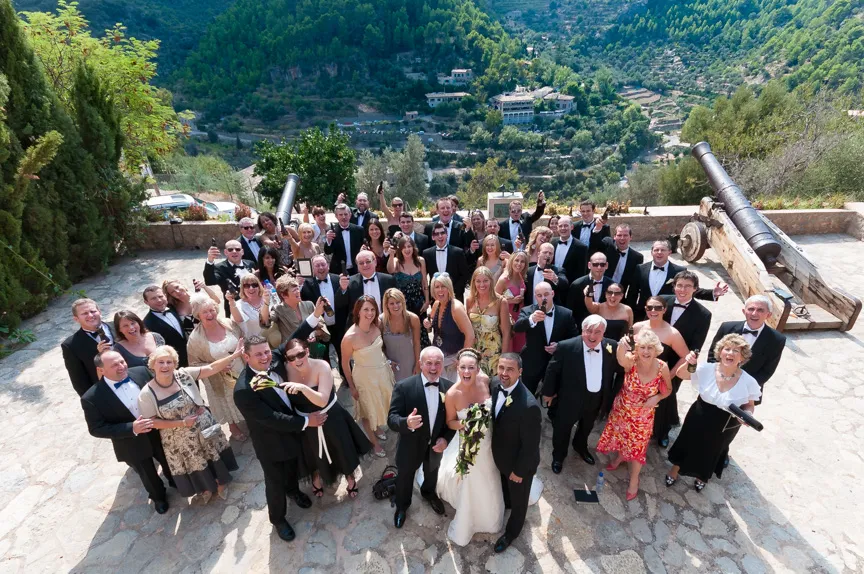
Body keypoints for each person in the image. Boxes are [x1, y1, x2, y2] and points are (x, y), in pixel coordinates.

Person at [233, 335, 325, 542]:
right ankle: (278, 519)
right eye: (258, 354)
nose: (265, 357)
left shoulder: (273, 358)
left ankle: (293, 491)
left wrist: (315, 316)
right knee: (274, 483)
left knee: (293, 467)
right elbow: (271, 419)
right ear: (246, 357)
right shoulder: (243, 391)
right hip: (271, 443)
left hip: (292, 434)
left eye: (266, 351)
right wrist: (306, 422)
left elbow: (295, 336)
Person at [139, 345, 241, 502]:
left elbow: (211, 367)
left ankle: (220, 482)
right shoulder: (146, 393)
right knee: (194, 462)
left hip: (202, 425)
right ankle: (206, 488)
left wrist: (233, 356)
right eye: (161, 362)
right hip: (178, 438)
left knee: (212, 453)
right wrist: (182, 423)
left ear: (175, 364)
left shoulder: (183, 375)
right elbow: (151, 422)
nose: (165, 366)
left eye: (169, 362)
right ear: (153, 365)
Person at [81, 351, 174, 514]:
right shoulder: (92, 397)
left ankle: (175, 480)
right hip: (130, 440)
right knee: (147, 473)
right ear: (101, 370)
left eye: (122, 362)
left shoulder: (141, 371)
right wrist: (131, 428)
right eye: (114, 365)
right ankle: (159, 497)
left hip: (158, 429)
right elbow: (96, 429)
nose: (121, 366)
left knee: (168, 458)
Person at [667, 335, 761, 491]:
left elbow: (749, 405)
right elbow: (681, 375)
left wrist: (748, 415)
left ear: (742, 357)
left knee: (712, 450)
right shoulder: (706, 368)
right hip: (700, 413)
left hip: (725, 422)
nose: (730, 353)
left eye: (735, 351)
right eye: (727, 349)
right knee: (687, 442)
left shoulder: (748, 381)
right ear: (720, 352)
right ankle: (674, 470)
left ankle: (702, 476)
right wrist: (688, 363)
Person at [279, 339, 372, 498]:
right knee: (311, 451)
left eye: (300, 354)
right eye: (291, 357)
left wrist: (302, 388)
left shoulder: (322, 366)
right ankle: (316, 476)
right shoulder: (285, 370)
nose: (297, 360)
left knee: (341, 447)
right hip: (306, 420)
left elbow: (322, 400)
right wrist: (306, 418)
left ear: (307, 351)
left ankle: (350, 477)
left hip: (329, 414)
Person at [596, 329, 672, 500]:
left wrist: (657, 397)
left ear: (656, 349)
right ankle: (621, 456)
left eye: (650, 348)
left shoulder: (662, 367)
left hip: (643, 416)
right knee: (622, 436)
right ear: (637, 349)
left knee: (638, 448)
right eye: (643, 347)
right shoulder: (632, 362)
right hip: (622, 409)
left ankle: (634, 480)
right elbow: (621, 358)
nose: (646, 352)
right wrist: (622, 347)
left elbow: (668, 390)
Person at [388, 347, 457, 528]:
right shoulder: (404, 387)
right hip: (409, 446)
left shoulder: (449, 389)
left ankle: (428, 493)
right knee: (404, 477)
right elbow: (392, 419)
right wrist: (406, 423)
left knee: (432, 472)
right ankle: (402, 506)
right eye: (429, 363)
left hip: (434, 447)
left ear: (443, 365)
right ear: (420, 364)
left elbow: (452, 422)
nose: (433, 368)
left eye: (437, 363)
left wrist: (446, 440)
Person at [543, 315, 619, 472]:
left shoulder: (612, 346)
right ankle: (559, 455)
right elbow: (552, 371)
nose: (592, 336)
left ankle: (580, 446)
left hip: (596, 398)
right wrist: (548, 393)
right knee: (562, 429)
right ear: (582, 330)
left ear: (604, 332)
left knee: (587, 426)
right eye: (588, 331)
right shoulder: (566, 346)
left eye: (597, 332)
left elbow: (621, 370)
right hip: (570, 398)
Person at [490, 353, 542, 553]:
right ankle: (507, 503)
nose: (504, 373)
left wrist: (519, 471)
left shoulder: (529, 407)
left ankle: (512, 532)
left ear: (520, 372)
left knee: (519, 503)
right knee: (506, 491)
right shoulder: (495, 384)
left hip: (520, 464)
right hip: (502, 456)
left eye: (510, 369)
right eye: (501, 367)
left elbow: (530, 447)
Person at [186, 295, 247, 442]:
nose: (210, 314)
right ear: (198, 315)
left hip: (240, 367)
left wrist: (243, 349)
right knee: (226, 401)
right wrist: (218, 367)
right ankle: (233, 427)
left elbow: (242, 338)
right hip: (219, 376)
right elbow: (194, 366)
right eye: (205, 312)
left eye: (212, 310)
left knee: (246, 395)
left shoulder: (228, 323)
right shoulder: (195, 339)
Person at [341, 296, 395, 457]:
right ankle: (375, 444)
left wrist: (387, 361)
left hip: (382, 372)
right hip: (363, 378)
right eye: (366, 309)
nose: (370, 313)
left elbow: (380, 348)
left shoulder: (377, 324)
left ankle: (378, 428)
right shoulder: (349, 337)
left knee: (383, 404)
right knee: (366, 411)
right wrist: (351, 386)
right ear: (358, 311)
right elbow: (344, 364)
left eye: (372, 309)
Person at [633, 296, 690, 447]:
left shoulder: (672, 333)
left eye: (658, 308)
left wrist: (668, 376)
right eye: (649, 307)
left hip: (658, 380)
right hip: (637, 377)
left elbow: (685, 356)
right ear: (645, 309)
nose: (653, 311)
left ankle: (661, 433)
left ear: (664, 310)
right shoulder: (638, 326)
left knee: (660, 413)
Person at [707, 295, 786, 404]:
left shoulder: (777, 339)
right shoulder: (727, 327)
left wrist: (742, 387)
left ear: (768, 315)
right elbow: (713, 355)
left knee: (733, 421)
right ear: (744, 311)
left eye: (760, 310)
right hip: (717, 384)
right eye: (751, 309)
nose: (754, 313)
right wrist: (718, 378)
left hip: (746, 392)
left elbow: (767, 371)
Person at [628, 240, 726, 320]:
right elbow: (632, 293)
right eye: (656, 250)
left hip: (667, 315)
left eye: (663, 250)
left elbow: (689, 290)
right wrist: (631, 314)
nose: (659, 253)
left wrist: (712, 293)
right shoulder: (640, 269)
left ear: (669, 252)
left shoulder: (679, 270)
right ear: (651, 252)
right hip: (642, 314)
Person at [513, 281, 578, 395]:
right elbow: (517, 327)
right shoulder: (528, 311)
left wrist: (559, 346)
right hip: (532, 361)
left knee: (554, 395)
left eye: (546, 294)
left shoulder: (566, 313)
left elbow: (575, 338)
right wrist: (531, 319)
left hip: (555, 362)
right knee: (527, 394)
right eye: (539, 295)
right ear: (535, 296)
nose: (543, 298)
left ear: (552, 293)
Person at [301, 254, 349, 368]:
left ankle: (347, 378)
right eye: (317, 265)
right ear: (313, 269)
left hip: (339, 326)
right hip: (321, 329)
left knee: (343, 354)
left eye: (323, 264)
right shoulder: (307, 284)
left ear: (328, 266)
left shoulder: (338, 279)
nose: (321, 268)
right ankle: (328, 381)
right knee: (324, 357)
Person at [426, 273, 475, 381]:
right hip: (438, 360)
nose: (440, 290)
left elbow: (470, 336)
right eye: (437, 287)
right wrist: (428, 325)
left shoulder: (456, 308)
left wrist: (461, 359)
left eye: (443, 286)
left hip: (453, 361)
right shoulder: (436, 304)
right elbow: (432, 329)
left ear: (449, 288)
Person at [63, 298, 115, 396]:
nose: (90, 315)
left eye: (93, 311)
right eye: (84, 313)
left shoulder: (118, 325)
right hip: (107, 391)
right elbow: (79, 380)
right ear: (76, 319)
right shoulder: (71, 345)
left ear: (99, 312)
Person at [465, 267, 511, 375]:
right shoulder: (469, 301)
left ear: (491, 281)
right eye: (478, 281)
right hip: (474, 351)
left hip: (494, 352)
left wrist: (503, 358)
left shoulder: (501, 301)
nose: (482, 285)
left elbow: (506, 332)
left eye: (485, 280)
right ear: (474, 282)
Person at [271, 276, 329, 350]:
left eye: (298, 288)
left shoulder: (309, 305)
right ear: (283, 295)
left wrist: (314, 333)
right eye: (294, 290)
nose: (298, 291)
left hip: (311, 351)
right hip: (292, 353)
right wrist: (266, 303)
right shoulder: (278, 309)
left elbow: (322, 327)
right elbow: (266, 322)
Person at [204, 239, 256, 317]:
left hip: (254, 305)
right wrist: (210, 260)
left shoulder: (250, 263)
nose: (234, 251)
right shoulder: (219, 268)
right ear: (225, 252)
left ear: (242, 252)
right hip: (234, 308)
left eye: (237, 249)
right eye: (230, 249)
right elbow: (210, 281)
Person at [422, 222, 470, 301]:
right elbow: (424, 277)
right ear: (433, 237)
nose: (440, 236)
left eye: (442, 233)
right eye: (437, 234)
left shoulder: (458, 252)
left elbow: (465, 274)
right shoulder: (427, 253)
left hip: (454, 296)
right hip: (435, 296)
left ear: (447, 235)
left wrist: (452, 290)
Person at [142, 285, 188, 367]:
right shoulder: (147, 323)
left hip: (192, 355)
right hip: (175, 363)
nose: (159, 300)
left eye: (160, 296)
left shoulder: (173, 308)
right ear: (146, 302)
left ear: (165, 296)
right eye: (153, 298)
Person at [344, 250, 397, 320]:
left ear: (375, 262)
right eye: (361, 263)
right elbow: (341, 305)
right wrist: (343, 289)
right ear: (357, 265)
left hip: (384, 323)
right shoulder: (349, 282)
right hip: (360, 325)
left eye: (368, 261)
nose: (365, 265)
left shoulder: (389, 280)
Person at [380, 288, 422, 377]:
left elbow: (416, 343)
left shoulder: (413, 319)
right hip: (390, 366)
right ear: (386, 305)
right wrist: (387, 361)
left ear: (403, 302)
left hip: (410, 364)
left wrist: (418, 364)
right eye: (392, 303)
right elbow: (379, 346)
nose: (395, 306)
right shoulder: (381, 321)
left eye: (398, 302)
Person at [387, 235, 430, 317]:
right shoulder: (397, 262)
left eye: (409, 246)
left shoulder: (420, 261)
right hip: (402, 304)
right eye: (404, 247)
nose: (407, 249)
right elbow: (390, 270)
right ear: (400, 249)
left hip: (419, 302)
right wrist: (391, 255)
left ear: (413, 247)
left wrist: (427, 301)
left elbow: (424, 282)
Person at [567, 252, 614, 325]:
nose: (599, 267)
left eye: (602, 264)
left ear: (606, 265)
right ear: (589, 265)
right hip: (582, 326)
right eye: (595, 264)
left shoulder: (611, 284)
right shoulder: (577, 284)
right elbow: (570, 309)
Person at [496, 251, 529, 353]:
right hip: (508, 316)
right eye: (517, 260)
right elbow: (494, 299)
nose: (519, 264)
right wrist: (511, 300)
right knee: (508, 348)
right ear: (511, 261)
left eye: (522, 261)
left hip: (519, 316)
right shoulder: (504, 279)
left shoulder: (521, 276)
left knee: (519, 348)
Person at [601, 224, 643, 304]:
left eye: (625, 235)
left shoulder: (637, 257)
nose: (622, 238)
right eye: (619, 235)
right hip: (601, 293)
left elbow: (634, 284)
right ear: (614, 237)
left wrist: (629, 304)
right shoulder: (607, 247)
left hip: (619, 297)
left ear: (631, 237)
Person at [324, 203, 365, 274]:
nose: (343, 217)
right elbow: (328, 251)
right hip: (338, 270)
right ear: (336, 216)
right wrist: (328, 240)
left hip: (356, 269)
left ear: (350, 215)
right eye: (340, 215)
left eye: (346, 214)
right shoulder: (331, 230)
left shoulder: (359, 230)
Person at [228, 274, 272, 338]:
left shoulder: (268, 297)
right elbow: (239, 320)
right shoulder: (238, 305)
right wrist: (231, 302)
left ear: (259, 286)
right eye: (247, 286)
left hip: (273, 338)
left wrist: (266, 302)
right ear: (242, 289)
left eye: (254, 285)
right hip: (254, 343)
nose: (251, 288)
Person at [551, 216, 588, 284]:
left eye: (566, 226)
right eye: (560, 226)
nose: (563, 228)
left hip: (569, 286)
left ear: (572, 227)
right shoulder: (552, 243)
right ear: (557, 228)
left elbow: (581, 273)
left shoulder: (581, 247)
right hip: (551, 285)